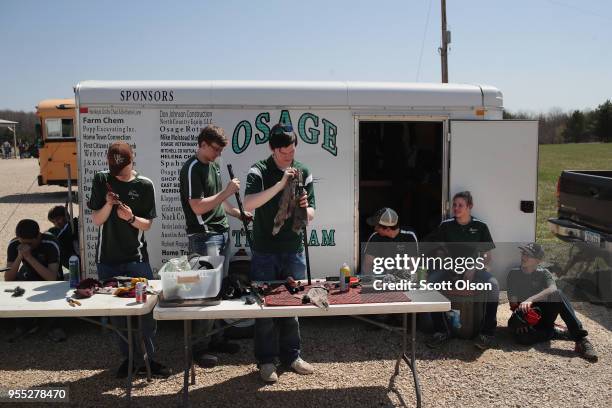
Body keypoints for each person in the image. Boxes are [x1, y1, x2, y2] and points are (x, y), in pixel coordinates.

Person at [87, 141, 169, 378]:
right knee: (118, 315)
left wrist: (131, 217)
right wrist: (108, 204)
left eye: (120, 170)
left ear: (132, 161)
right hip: (107, 259)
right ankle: (129, 359)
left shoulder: (144, 185)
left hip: (136, 258)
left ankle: (148, 359)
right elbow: (97, 220)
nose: (116, 174)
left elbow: (148, 224)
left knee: (145, 313)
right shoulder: (102, 179)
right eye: (112, 169)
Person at [244, 123, 316, 383]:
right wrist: (280, 183)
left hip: (293, 250)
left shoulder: (304, 171)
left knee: (293, 306)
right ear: (272, 149)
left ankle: (292, 356)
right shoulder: (259, 170)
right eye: (284, 152)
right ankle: (265, 361)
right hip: (265, 250)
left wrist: (304, 208)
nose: (289, 157)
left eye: (292, 151)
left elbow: (311, 216)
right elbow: (249, 203)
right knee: (264, 309)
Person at [179, 125, 246, 367]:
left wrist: (237, 214)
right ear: (203, 144)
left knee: (219, 290)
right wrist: (226, 191)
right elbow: (197, 206)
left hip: (220, 233)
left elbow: (219, 201)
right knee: (205, 294)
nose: (218, 154)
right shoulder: (192, 169)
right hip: (204, 236)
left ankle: (216, 338)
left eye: (220, 150)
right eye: (216, 149)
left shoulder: (213, 166)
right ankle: (199, 348)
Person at [424, 191, 499, 350]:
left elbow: (487, 257)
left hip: (473, 269)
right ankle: (441, 331)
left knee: (493, 285)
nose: (456, 208)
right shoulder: (446, 226)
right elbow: (436, 249)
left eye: (460, 205)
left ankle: (487, 333)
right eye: (454, 205)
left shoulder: (480, 227)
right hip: (449, 268)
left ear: (469, 207)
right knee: (430, 283)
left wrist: (474, 267)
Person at [507, 243, 597, 362]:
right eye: (523, 253)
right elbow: (513, 303)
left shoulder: (544, 273)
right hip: (528, 317)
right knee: (522, 339)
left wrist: (530, 300)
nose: (524, 256)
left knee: (558, 294)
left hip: (544, 314)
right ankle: (553, 332)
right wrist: (520, 319)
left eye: (528, 255)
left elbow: (553, 289)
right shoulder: (514, 274)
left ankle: (580, 339)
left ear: (538, 260)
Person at [5, 219, 66, 342]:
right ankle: (24, 324)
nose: (26, 247)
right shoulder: (14, 244)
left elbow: (51, 278)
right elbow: (8, 278)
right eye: (23, 243)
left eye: (30, 244)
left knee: (56, 289)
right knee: (16, 288)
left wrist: (29, 257)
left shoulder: (50, 243)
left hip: (49, 276)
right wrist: (19, 257)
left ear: (38, 236)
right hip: (28, 275)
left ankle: (55, 326)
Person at [362, 207, 419, 277]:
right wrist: (376, 282)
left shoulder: (409, 236)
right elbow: (366, 266)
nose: (375, 228)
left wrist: (397, 280)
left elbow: (412, 265)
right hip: (379, 278)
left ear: (388, 229)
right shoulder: (375, 236)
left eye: (377, 226)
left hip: (402, 278)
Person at [47, 205, 79, 270]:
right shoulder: (54, 231)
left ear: (66, 216)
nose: (56, 223)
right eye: (53, 222)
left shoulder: (76, 225)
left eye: (58, 219)